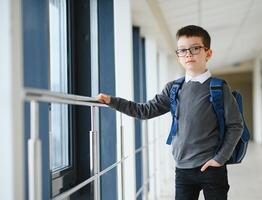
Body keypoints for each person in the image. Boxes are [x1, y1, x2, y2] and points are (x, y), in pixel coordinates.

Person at [96, 25, 243, 200]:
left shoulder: (219, 88)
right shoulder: (174, 88)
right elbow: (145, 110)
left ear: (208, 53)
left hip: (211, 168)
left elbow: (236, 126)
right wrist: (113, 101)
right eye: (182, 50)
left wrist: (219, 159)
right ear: (178, 55)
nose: (188, 54)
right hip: (182, 169)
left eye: (195, 48)